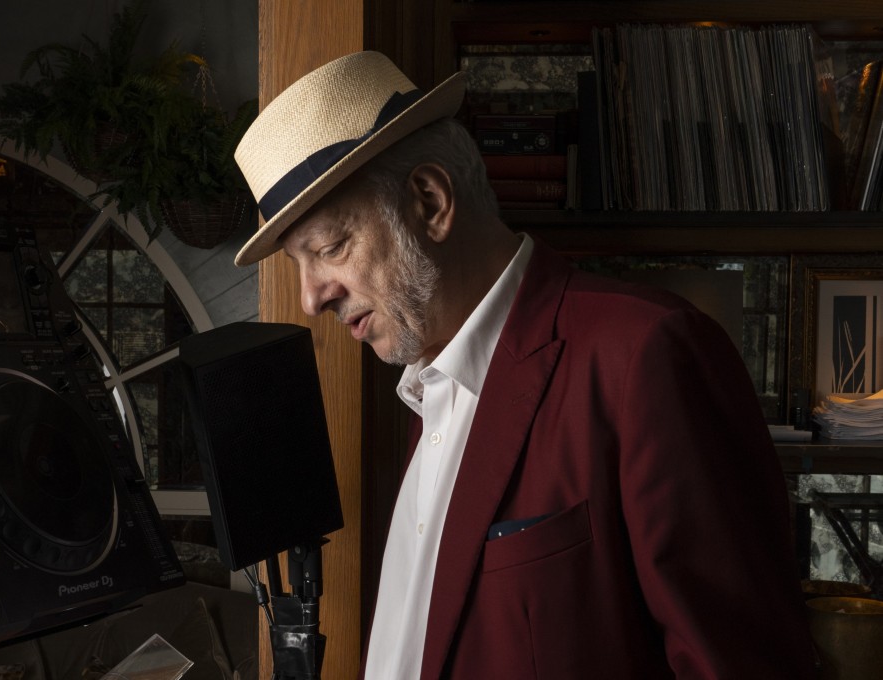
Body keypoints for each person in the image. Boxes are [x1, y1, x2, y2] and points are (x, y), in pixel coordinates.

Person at [232, 51, 818, 679]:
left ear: (430, 201)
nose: (311, 297)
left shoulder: (647, 354)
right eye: (299, 264)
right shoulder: (427, 388)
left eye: (329, 248)